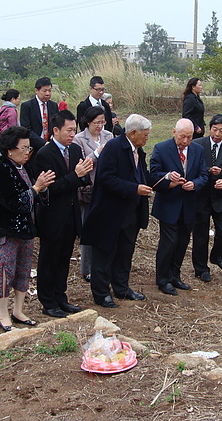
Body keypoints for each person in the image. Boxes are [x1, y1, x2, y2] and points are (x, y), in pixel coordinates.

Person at [81, 114, 152, 308]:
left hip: (131, 211)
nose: (147, 138)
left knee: (125, 252)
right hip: (110, 211)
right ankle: (101, 293)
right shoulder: (113, 148)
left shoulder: (139, 150)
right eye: (145, 135)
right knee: (105, 253)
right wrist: (134, 188)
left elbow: (142, 175)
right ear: (133, 132)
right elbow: (106, 178)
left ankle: (121, 288)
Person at [0, 127, 55, 331]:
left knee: (23, 270)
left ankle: (18, 310)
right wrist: (36, 188)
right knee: (5, 270)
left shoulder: (25, 168)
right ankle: (2, 313)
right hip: (7, 230)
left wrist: (41, 190)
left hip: (27, 229)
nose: (28, 152)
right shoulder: (0, 171)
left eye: (29, 148)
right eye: (23, 148)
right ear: (9, 150)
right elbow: (15, 203)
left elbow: (35, 198)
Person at [34, 110, 93, 318]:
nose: (72, 134)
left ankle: (61, 297)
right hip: (52, 216)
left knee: (64, 259)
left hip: (71, 214)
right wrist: (76, 175)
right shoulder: (44, 154)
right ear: (55, 130)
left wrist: (83, 175)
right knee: (49, 259)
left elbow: (81, 180)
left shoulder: (75, 150)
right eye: (68, 130)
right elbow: (50, 189)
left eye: (74, 130)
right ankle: (47, 301)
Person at [148, 119, 208, 295]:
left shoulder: (197, 149)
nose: (185, 141)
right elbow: (153, 175)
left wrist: (194, 184)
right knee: (168, 242)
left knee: (182, 241)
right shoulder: (161, 148)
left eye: (189, 137)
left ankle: (175, 275)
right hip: (168, 204)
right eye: (182, 137)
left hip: (189, 204)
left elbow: (203, 175)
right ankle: (163, 278)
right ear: (174, 132)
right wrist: (168, 177)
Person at [191, 114, 222, 282]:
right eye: (214, 129)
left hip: (220, 197)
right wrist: (209, 170)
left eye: (221, 131)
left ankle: (217, 257)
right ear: (209, 129)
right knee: (200, 236)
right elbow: (192, 167)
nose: (217, 133)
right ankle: (201, 269)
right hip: (200, 197)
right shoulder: (197, 145)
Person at [72, 105, 114, 282]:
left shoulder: (109, 136)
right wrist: (97, 152)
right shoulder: (79, 139)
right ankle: (87, 268)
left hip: (106, 187)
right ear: (88, 122)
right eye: (96, 123)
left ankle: (104, 265)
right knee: (88, 228)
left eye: (102, 122)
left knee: (106, 228)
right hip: (88, 189)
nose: (100, 126)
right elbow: (82, 164)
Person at [20, 77, 58, 152]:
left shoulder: (53, 105)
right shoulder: (27, 106)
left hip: (51, 146)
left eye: (49, 90)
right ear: (36, 90)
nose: (47, 93)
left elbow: (56, 124)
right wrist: (43, 143)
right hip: (33, 147)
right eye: (44, 91)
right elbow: (26, 129)